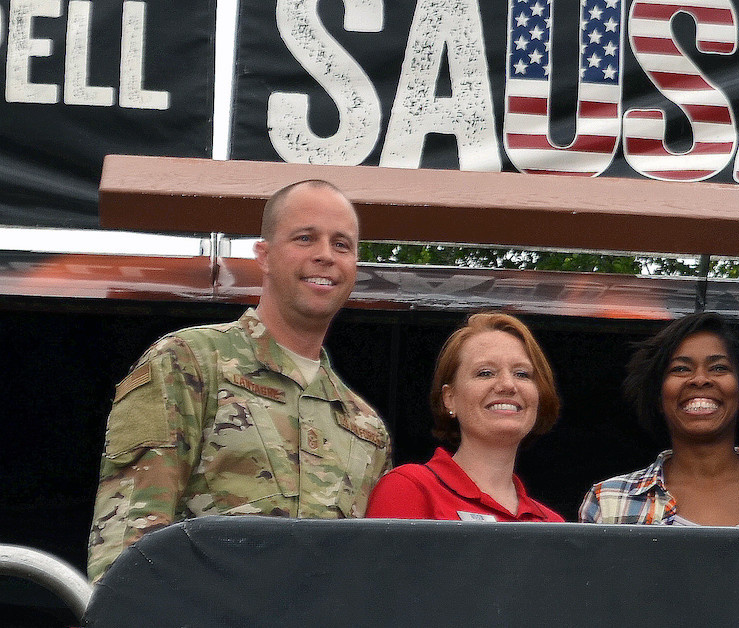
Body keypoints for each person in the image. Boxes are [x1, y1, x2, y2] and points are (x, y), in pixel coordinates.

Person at [87, 180, 392, 582]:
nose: (325, 255)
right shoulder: (188, 362)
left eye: (342, 245)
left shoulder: (366, 428)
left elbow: (368, 576)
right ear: (263, 256)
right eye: (305, 238)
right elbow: (129, 542)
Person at [579, 312, 739, 528]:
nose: (700, 379)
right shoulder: (609, 501)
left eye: (719, 368)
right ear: (658, 396)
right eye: (681, 369)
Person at [366, 312, 563, 522]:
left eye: (522, 374)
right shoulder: (410, 488)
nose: (507, 385)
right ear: (449, 398)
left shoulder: (551, 523)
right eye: (485, 373)